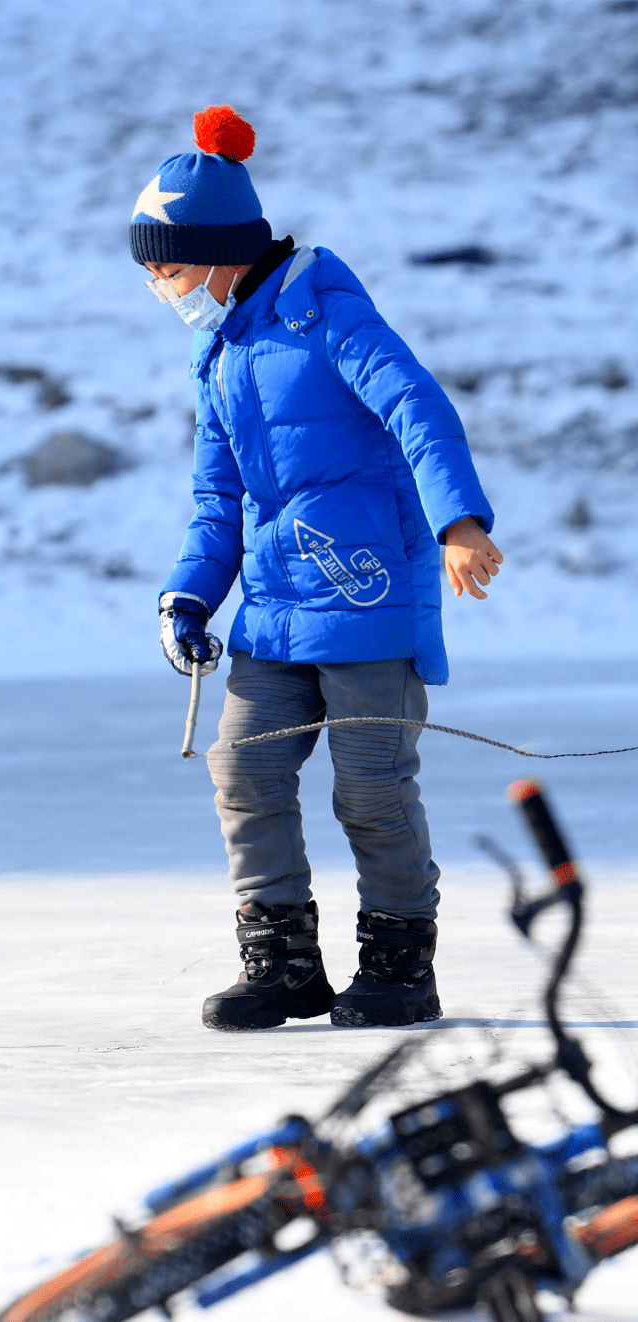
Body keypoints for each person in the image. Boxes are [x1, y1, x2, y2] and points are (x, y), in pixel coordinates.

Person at [133, 106, 503, 1030]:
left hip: (369, 602)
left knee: (371, 787)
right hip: (272, 614)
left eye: (167, 266)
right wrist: (190, 594)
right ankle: (283, 962)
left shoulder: (327, 313)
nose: (158, 285)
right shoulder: (216, 351)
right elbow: (220, 501)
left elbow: (418, 407)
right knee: (243, 772)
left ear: (219, 251)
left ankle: (398, 966)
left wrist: (458, 521)